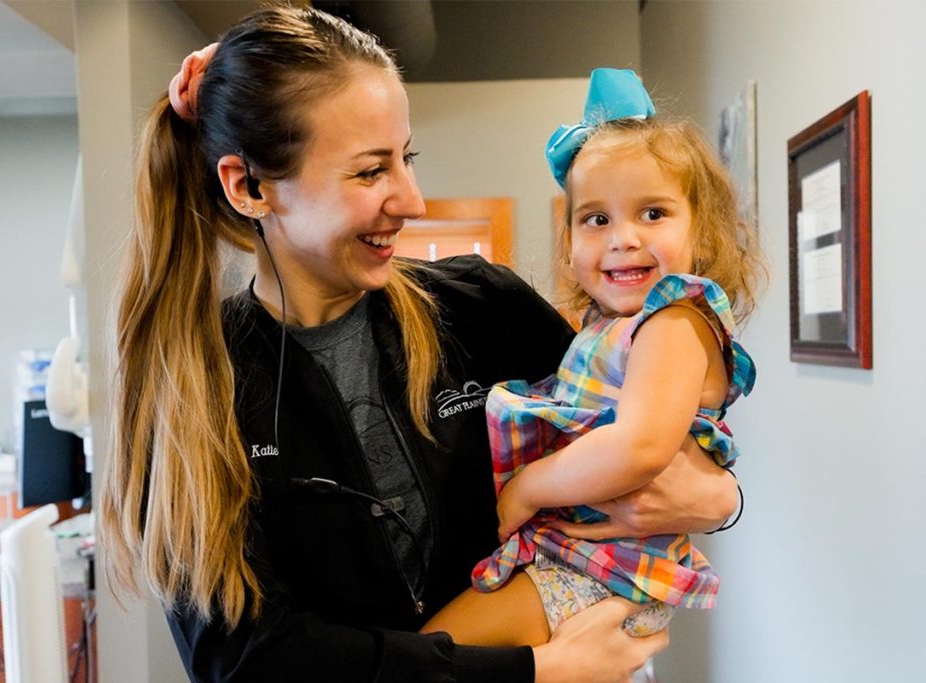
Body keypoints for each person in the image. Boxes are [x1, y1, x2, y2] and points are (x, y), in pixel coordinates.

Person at [98, 7, 739, 682]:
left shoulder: (481, 307)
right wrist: (535, 670)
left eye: (407, 159)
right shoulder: (192, 389)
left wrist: (721, 497)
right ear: (249, 185)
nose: (411, 198)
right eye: (371, 171)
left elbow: (643, 433)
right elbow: (250, 661)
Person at [422, 69, 766, 648]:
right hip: (584, 559)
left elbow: (639, 447)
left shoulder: (676, 320)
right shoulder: (612, 327)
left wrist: (527, 489)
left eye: (652, 213)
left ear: (701, 233)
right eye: (597, 219)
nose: (622, 237)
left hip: (603, 574)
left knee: (437, 652)